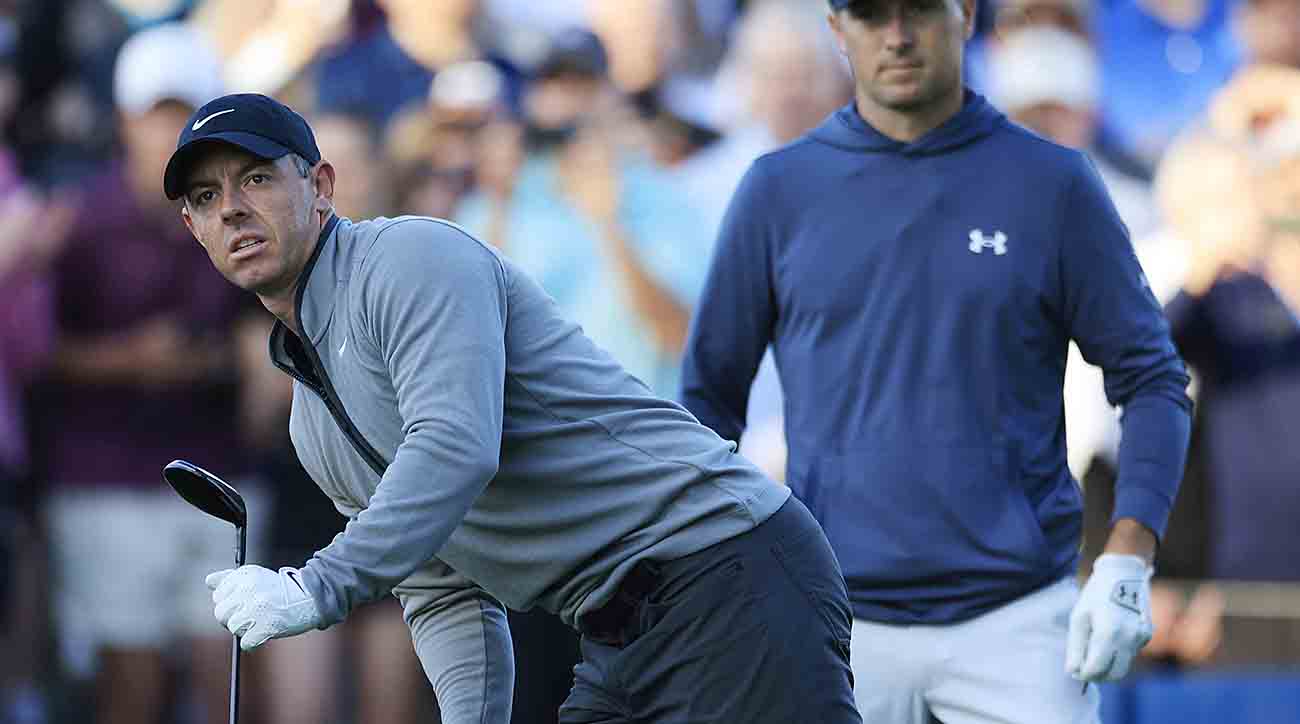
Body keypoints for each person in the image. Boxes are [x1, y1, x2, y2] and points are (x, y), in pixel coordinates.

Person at [162, 91, 861, 724]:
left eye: (255, 178)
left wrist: (317, 588)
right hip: (617, 634)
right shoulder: (311, 421)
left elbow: (455, 447)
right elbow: (441, 587)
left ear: (320, 186)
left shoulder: (409, 256)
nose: (231, 208)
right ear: (193, 227)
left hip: (726, 577)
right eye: (205, 195)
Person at [679, 0, 1193, 721]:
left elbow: (1152, 380)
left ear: (965, 15)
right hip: (834, 621)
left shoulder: (1053, 184)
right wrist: (715, 575)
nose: (895, 34)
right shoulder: (778, 191)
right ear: (837, 29)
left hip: (1018, 623)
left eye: (917, 8)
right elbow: (708, 402)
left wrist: (1129, 557)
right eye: (868, 14)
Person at [33, 22, 266, 724]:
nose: (167, 130)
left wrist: (221, 357)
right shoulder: (78, 218)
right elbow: (36, 350)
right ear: (125, 119)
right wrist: (130, 359)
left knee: (227, 681)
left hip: (220, 473)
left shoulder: (241, 212)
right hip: (106, 475)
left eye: (182, 115)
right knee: (129, 684)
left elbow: (264, 329)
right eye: (155, 113)